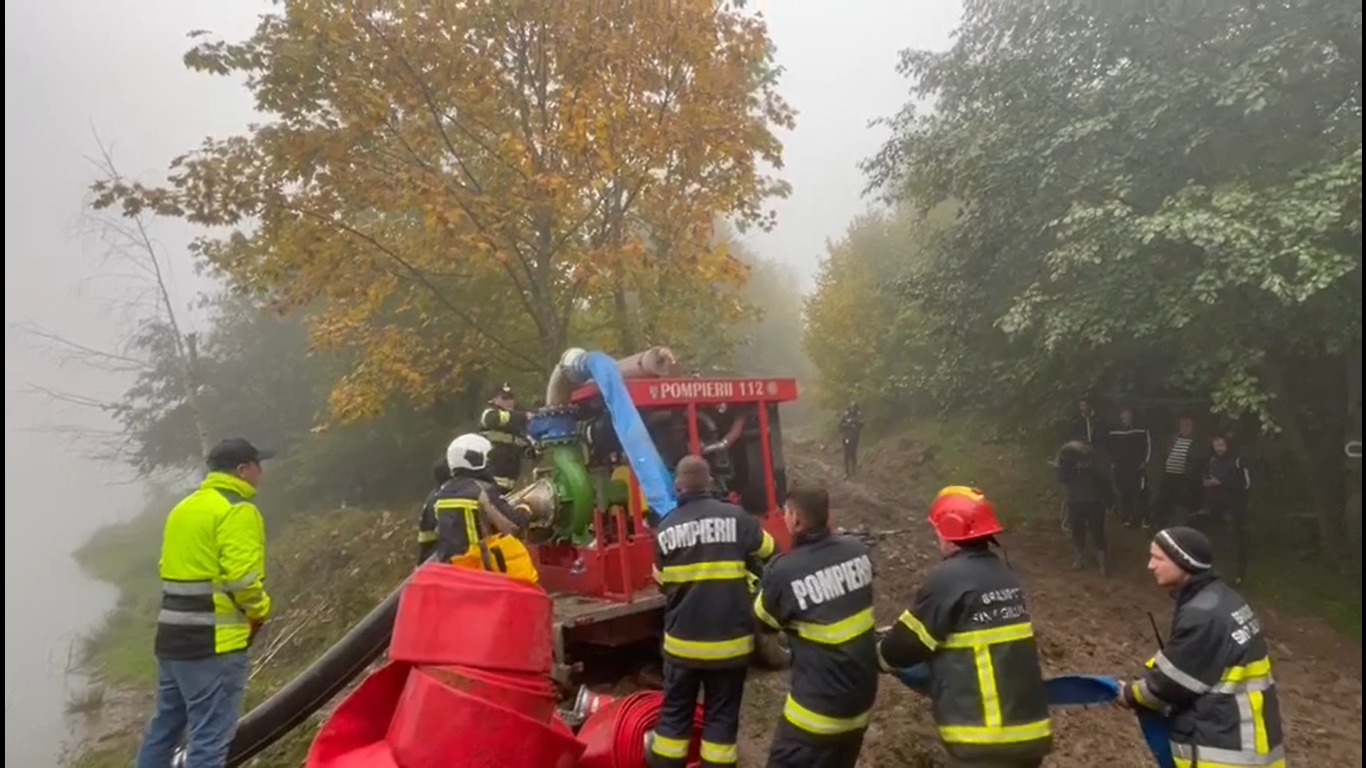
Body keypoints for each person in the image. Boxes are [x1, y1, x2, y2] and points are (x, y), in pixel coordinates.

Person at [877, 486, 1052, 768]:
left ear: (951, 528)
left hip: (982, 740)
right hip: (1029, 737)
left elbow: (906, 646)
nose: (936, 536)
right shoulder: (1004, 575)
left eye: (937, 528)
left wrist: (878, 655)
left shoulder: (949, 578)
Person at [135, 438, 275, 768]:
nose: (261, 471)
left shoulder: (184, 508)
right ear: (242, 470)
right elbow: (242, 579)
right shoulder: (238, 510)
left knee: (164, 729)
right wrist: (260, 610)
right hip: (213, 647)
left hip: (171, 641)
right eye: (257, 464)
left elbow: (165, 567)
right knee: (209, 739)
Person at [648, 455, 777, 768]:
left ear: (678, 486)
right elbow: (771, 551)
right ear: (709, 483)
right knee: (721, 723)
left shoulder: (665, 530)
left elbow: (662, 582)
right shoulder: (738, 518)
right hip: (730, 648)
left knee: (673, 722)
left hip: (682, 649)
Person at [1117, 527, 1284, 768]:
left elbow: (1170, 684)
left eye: (1158, 558)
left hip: (1222, 752)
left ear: (1183, 562)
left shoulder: (1202, 615)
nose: (1150, 566)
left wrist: (1129, 694)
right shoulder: (1226, 600)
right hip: (1256, 748)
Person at [754, 485, 878, 768]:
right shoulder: (858, 552)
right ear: (828, 516)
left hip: (814, 717)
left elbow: (763, 623)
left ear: (796, 519)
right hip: (860, 709)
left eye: (785, 513)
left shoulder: (783, 570)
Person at [418, 433, 539, 584]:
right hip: (480, 572)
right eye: (486, 458)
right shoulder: (482, 490)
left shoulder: (440, 495)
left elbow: (429, 541)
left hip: (450, 573)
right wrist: (525, 509)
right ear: (476, 460)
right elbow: (512, 527)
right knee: (516, 557)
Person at [1057, 440, 1116, 575]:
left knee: (1098, 532)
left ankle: (1102, 563)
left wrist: (1109, 502)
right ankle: (1080, 558)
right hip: (1075, 502)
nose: (1081, 449)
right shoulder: (1068, 461)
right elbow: (1062, 478)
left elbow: (1106, 482)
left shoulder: (1097, 463)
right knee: (1078, 530)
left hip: (1094, 502)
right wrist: (1067, 495)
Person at [1202, 435, 1252, 584]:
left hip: (1236, 506)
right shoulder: (1212, 460)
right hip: (1217, 507)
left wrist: (1221, 482)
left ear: (1228, 444)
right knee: (1215, 538)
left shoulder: (1238, 460)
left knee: (1238, 540)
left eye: (1221, 445)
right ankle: (1214, 571)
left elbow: (1246, 484)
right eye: (1216, 445)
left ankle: (1239, 575)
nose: (1219, 448)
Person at [480, 383, 532, 492]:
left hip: (511, 485)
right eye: (504, 398)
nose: (509, 401)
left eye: (511, 398)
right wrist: (524, 416)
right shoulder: (489, 414)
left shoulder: (517, 426)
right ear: (493, 400)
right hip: (489, 482)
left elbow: (527, 448)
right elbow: (496, 419)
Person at [1106, 406, 1152, 528]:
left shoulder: (1141, 430)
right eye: (1123, 414)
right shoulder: (1113, 431)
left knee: (1139, 493)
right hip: (1120, 468)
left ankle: (1142, 518)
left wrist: (1144, 462)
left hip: (1136, 468)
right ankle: (1126, 518)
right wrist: (1112, 463)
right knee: (1122, 493)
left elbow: (1147, 447)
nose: (1125, 417)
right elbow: (1109, 448)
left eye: (1127, 414)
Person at [416, 455, 453, 564]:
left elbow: (424, 536)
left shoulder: (431, 497)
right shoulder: (454, 494)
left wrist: (421, 562)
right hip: (445, 555)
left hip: (432, 555)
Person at [838, 402, 865, 479]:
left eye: (854, 407)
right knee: (846, 454)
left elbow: (862, 423)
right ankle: (846, 472)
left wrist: (855, 424)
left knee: (853, 453)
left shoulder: (858, 415)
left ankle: (853, 469)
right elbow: (840, 425)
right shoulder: (846, 415)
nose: (853, 409)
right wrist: (847, 425)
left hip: (855, 437)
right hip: (846, 436)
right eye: (852, 407)